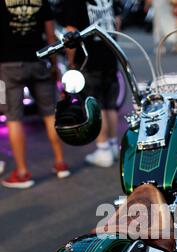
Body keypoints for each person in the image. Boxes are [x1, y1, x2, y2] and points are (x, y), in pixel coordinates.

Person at [0, 0, 70, 189]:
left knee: (13, 117)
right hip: (39, 60)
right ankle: (60, 162)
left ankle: (22, 173)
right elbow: (49, 35)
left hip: (8, 64)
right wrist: (54, 64)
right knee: (50, 114)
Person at [63, 0, 123, 168]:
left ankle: (103, 149)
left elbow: (70, 33)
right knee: (110, 105)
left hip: (89, 59)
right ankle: (112, 145)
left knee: (97, 106)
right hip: (110, 56)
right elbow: (117, 23)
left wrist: (71, 61)